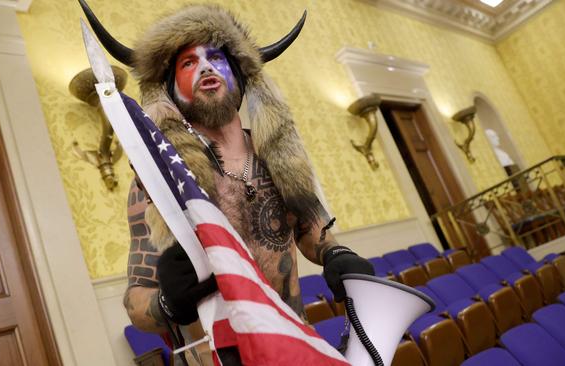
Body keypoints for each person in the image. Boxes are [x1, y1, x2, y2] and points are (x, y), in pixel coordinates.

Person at [80, 2, 374, 364]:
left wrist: (337, 255)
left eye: (216, 57)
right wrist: (167, 302)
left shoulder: (278, 159)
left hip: (293, 346)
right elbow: (136, 302)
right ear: (171, 89)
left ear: (240, 74)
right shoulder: (158, 181)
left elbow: (314, 234)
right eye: (188, 62)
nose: (205, 66)